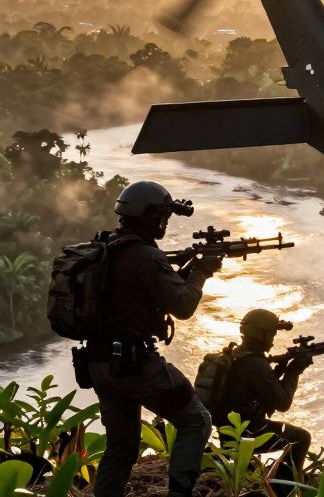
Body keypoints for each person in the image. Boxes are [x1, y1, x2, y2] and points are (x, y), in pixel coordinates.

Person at [90, 180, 220, 497]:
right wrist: (202, 271)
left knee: (121, 448)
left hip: (99, 363)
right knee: (196, 420)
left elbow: (147, 292)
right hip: (134, 364)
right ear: (150, 216)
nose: (164, 221)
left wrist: (188, 269)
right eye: (162, 215)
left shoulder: (107, 247)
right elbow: (184, 306)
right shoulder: (146, 256)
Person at [213, 309, 314, 480]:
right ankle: (282, 489)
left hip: (227, 432)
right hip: (247, 434)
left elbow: (262, 388)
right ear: (262, 335)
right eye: (272, 335)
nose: (273, 341)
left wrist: (281, 368)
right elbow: (282, 404)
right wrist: (293, 372)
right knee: (301, 438)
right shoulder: (255, 363)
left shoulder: (236, 355)